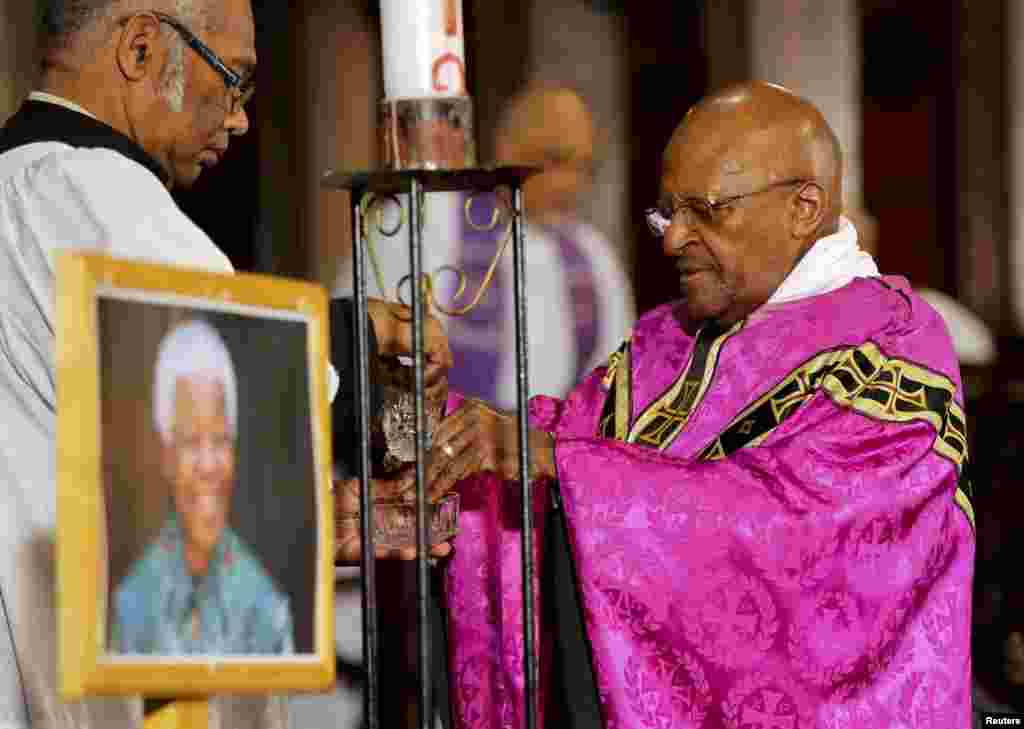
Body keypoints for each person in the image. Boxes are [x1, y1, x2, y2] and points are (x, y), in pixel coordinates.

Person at [429, 82, 975, 728]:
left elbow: (801, 538)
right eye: (667, 213)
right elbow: (557, 438)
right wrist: (439, 426)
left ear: (803, 207)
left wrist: (568, 469)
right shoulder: (669, 337)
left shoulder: (891, 346)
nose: (671, 239)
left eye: (704, 211)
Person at [0, 1, 451, 726]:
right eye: (233, 81)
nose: (239, 119)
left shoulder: (22, 184)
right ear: (142, 49)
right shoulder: (95, 192)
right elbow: (235, 370)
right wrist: (370, 340)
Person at [335, 83, 635, 409]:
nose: (571, 184)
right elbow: (362, 343)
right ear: (507, 148)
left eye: (584, 168)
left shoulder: (592, 254)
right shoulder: (427, 215)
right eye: (556, 160)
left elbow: (616, 382)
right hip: (436, 441)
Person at [112, 319, 294, 655]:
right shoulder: (133, 606)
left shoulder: (266, 609)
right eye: (192, 442)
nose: (209, 466)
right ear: (166, 456)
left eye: (222, 440)